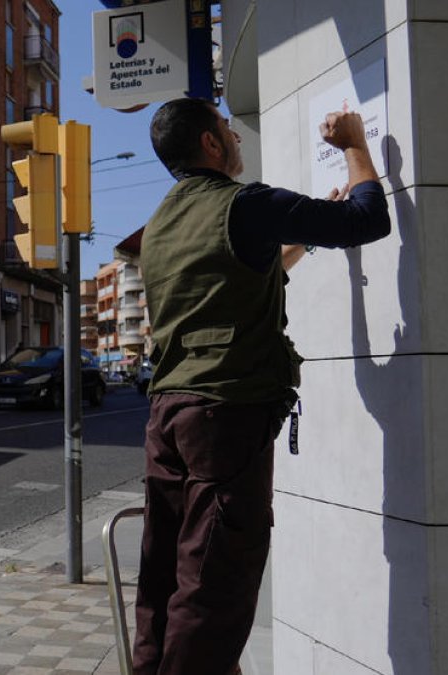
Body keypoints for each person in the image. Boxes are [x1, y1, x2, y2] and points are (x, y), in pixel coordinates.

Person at [133, 98, 391, 675]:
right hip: (224, 419)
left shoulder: (161, 225)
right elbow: (368, 219)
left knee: (164, 577)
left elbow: (246, 271)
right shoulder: (244, 203)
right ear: (209, 144)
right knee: (213, 588)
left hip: (168, 414)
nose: (237, 140)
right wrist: (353, 143)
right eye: (229, 130)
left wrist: (304, 241)